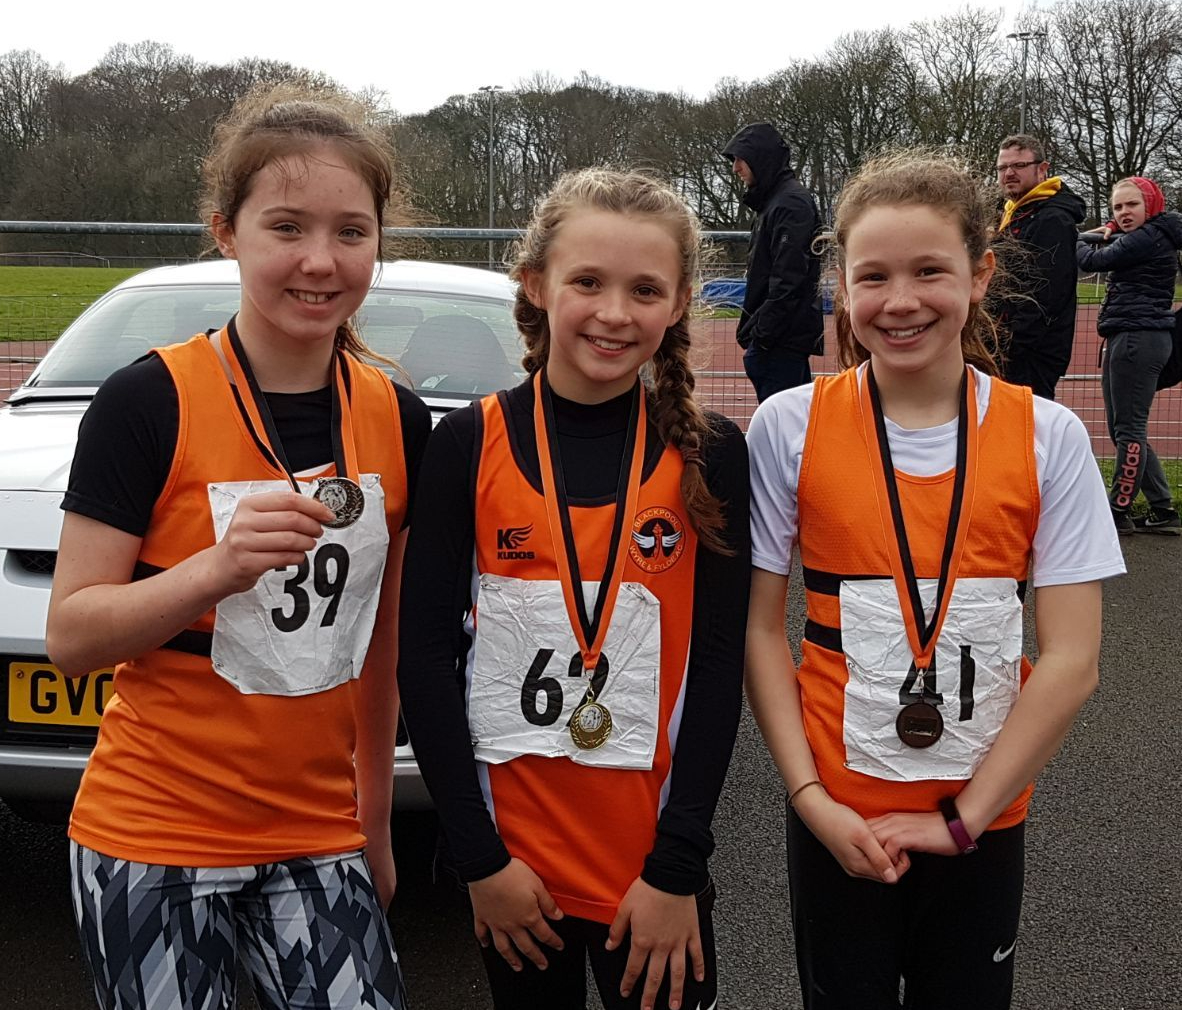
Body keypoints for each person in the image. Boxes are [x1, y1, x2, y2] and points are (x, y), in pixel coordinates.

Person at [46, 85, 429, 1010]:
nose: (320, 261)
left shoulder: (397, 417)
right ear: (227, 232)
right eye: (286, 227)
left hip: (319, 832)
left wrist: (373, 823)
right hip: (152, 831)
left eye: (351, 232)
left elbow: (381, 647)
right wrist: (215, 569)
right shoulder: (147, 402)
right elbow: (73, 637)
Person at [744, 150, 1126, 1010]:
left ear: (980, 274)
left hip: (980, 821)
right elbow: (761, 629)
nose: (901, 300)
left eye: (929, 271)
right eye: (873, 276)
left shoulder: (1048, 436)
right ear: (842, 284)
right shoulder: (788, 426)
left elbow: (1073, 661)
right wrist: (809, 797)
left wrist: (964, 819)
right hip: (838, 816)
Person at [397, 168, 750, 1010]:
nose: (614, 313)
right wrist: (478, 859)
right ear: (535, 284)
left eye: (645, 290)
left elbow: (717, 669)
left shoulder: (709, 453)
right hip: (517, 872)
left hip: (652, 873)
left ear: (679, 304)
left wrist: (678, 865)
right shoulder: (467, 444)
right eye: (587, 281)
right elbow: (424, 660)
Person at [1077, 175, 1182, 535]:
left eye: (1132, 204)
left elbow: (1092, 261)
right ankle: (1162, 507)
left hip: (1138, 338)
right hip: (1130, 334)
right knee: (1122, 426)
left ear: (1150, 205)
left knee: (1129, 428)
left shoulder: (1148, 237)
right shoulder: (1152, 233)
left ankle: (1117, 509)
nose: (1124, 212)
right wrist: (1108, 227)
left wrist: (1074, 239)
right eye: (1117, 207)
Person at [722, 122, 824, 402]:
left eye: (740, 159)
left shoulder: (790, 203)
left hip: (781, 340)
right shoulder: (775, 202)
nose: (735, 168)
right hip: (779, 338)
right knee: (792, 417)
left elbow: (789, 278)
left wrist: (762, 336)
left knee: (783, 420)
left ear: (760, 158)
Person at [993, 134, 1086, 399]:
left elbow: (1046, 295)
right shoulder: (1010, 213)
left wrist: (1011, 345)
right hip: (1008, 348)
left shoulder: (1052, 219)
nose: (1009, 173)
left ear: (1042, 169)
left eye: (1019, 165)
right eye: (1002, 167)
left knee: (1028, 422)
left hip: (1028, 354)